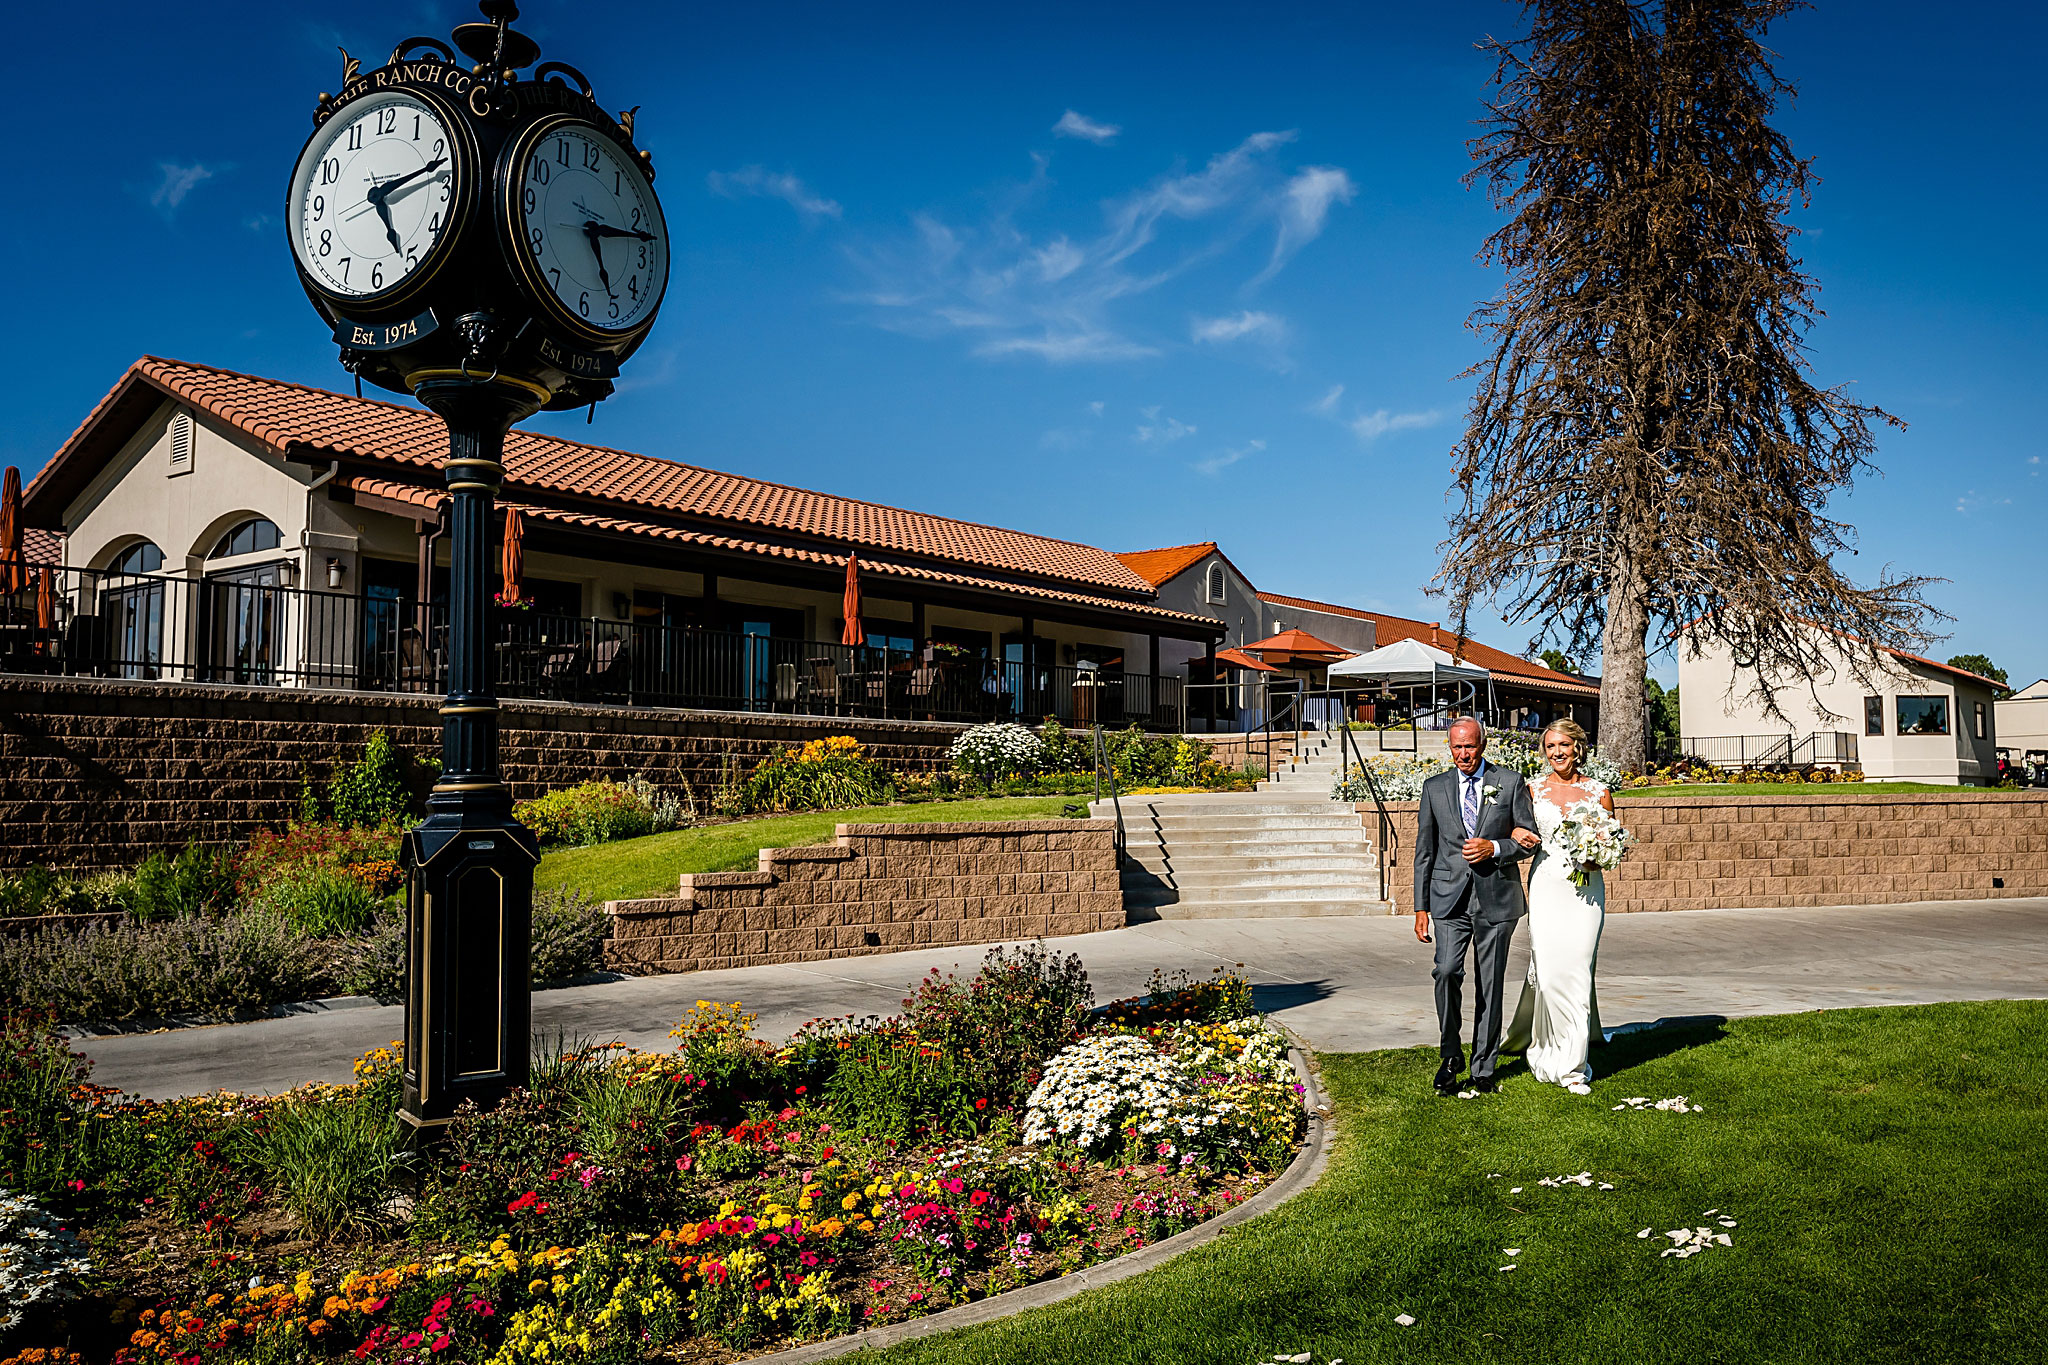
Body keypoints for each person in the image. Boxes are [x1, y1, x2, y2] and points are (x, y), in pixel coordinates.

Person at [1413, 718, 1538, 1096]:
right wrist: (1420, 907)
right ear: (1449, 748)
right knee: (1446, 971)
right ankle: (1451, 1056)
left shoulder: (1509, 782)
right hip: (1448, 899)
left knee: (1491, 984)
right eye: (1456, 747)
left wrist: (1496, 848)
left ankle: (1484, 1066)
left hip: (1496, 899)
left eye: (1469, 746)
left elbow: (1530, 837)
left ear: (1482, 744)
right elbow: (1425, 851)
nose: (1463, 754)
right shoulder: (1434, 788)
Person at [1501, 718, 1613, 1095]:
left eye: (1564, 745)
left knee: (1578, 969)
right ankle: (1544, 1047)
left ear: (1578, 747)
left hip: (1586, 892)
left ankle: (1573, 1068)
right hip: (1547, 886)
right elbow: (1514, 830)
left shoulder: (1599, 792)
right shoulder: (1531, 789)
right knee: (1548, 974)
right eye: (1550, 747)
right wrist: (1515, 833)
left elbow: (1612, 841)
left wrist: (1599, 856)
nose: (1557, 753)